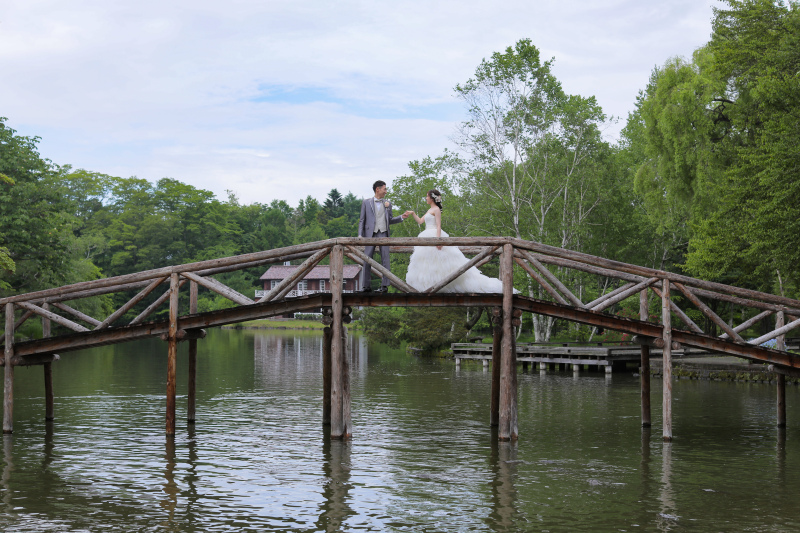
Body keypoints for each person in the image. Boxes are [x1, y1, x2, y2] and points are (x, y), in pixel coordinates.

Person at [406, 189, 508, 293]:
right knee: (427, 263)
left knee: (440, 262)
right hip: (426, 235)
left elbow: (438, 225)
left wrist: (438, 240)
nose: (426, 198)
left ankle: (442, 285)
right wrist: (413, 213)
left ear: (432, 198)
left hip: (434, 235)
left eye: (427, 196)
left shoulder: (436, 209)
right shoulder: (429, 210)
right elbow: (420, 221)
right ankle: (429, 285)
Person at [358, 180, 412, 292]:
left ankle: (384, 286)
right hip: (369, 234)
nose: (386, 191)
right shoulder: (366, 202)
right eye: (385, 189)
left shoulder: (388, 203)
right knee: (366, 259)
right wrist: (360, 235)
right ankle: (366, 286)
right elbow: (362, 220)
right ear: (378, 189)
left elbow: (390, 220)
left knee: (385, 260)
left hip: (383, 232)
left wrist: (401, 217)